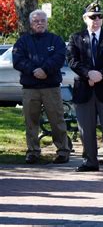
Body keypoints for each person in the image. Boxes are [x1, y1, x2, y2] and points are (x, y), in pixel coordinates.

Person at [67, 1, 103, 174]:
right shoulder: (75, 38)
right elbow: (72, 60)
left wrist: (100, 75)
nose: (96, 20)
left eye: (99, 17)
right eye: (92, 17)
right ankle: (90, 161)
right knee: (86, 129)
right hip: (84, 90)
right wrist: (88, 74)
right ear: (85, 18)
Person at [12, 9, 71, 164]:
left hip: (51, 87)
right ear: (31, 24)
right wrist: (33, 70)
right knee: (31, 122)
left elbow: (59, 57)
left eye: (42, 21)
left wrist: (45, 70)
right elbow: (18, 60)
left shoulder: (55, 40)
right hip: (30, 88)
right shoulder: (23, 41)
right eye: (36, 21)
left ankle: (63, 151)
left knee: (57, 120)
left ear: (46, 22)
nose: (39, 23)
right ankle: (33, 151)